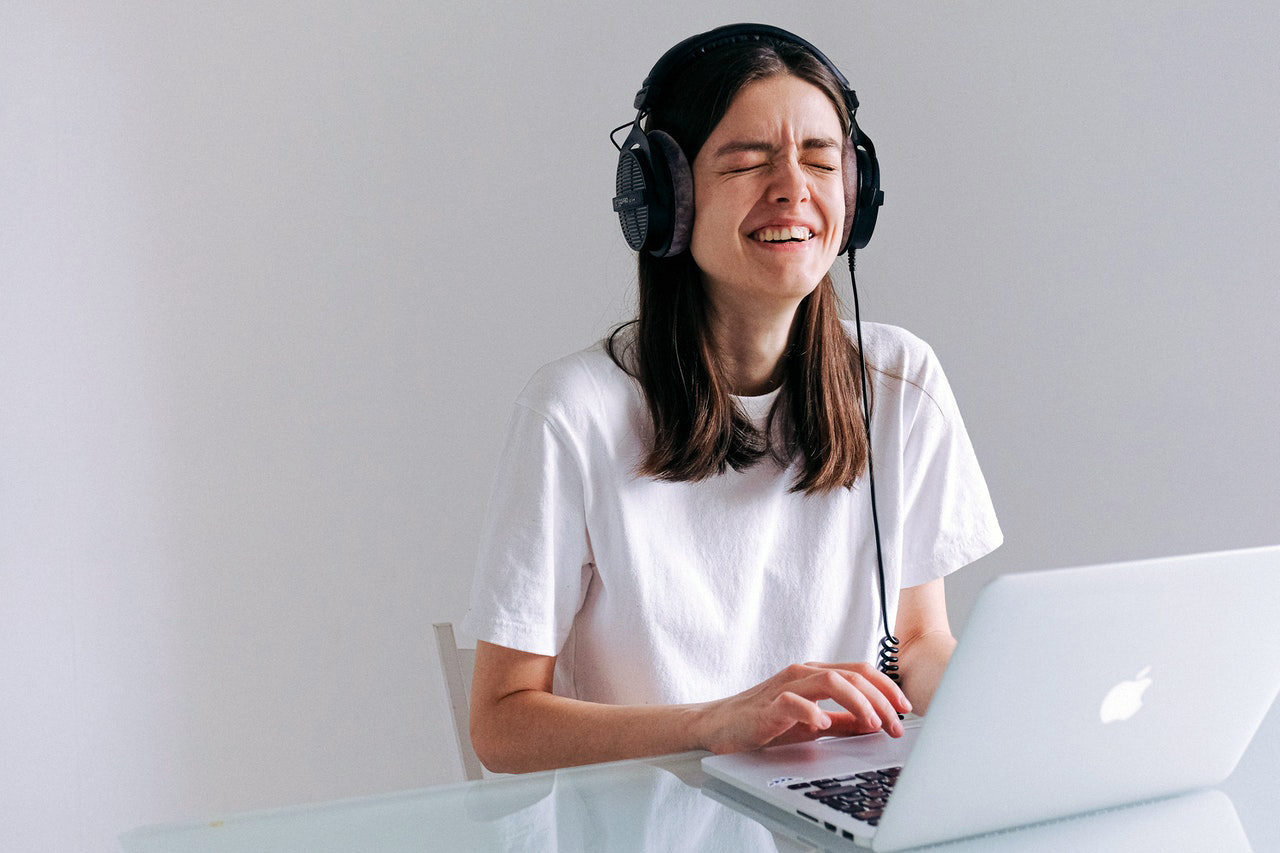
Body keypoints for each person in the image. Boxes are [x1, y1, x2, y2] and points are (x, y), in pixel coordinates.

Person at [462, 24, 1002, 774]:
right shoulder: (573, 412)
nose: (794, 189)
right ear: (663, 200)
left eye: (820, 159)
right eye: (748, 161)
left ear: (855, 191)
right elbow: (501, 725)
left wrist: (1000, 715)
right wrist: (715, 721)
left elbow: (916, 641)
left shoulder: (899, 379)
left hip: (836, 817)